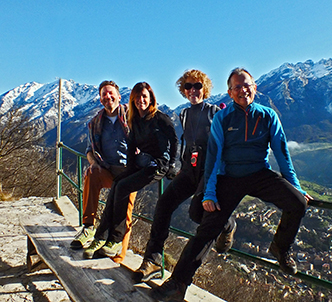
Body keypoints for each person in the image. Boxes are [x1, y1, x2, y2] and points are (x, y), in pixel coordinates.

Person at [150, 68, 312, 301]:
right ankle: (178, 283)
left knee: (297, 203)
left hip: (260, 173)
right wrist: (210, 193)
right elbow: (213, 158)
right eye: (237, 87)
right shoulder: (223, 118)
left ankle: (281, 247)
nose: (243, 90)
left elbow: (283, 155)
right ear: (230, 92)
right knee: (206, 228)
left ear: (255, 87)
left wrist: (296, 187)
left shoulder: (268, 116)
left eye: (246, 85)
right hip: (229, 176)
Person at [132, 69, 236, 283]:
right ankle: (152, 259)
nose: (192, 90)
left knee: (197, 214)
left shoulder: (215, 112)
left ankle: (228, 225)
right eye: (188, 86)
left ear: (204, 88)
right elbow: (186, 142)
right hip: (189, 169)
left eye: (197, 86)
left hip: (208, 171)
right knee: (164, 204)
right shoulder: (184, 114)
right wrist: (181, 163)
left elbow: (224, 146)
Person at [83, 82, 178, 260]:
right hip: (140, 164)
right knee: (119, 185)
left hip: (157, 166)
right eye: (137, 97)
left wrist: (171, 165)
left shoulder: (159, 118)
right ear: (132, 99)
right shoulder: (134, 120)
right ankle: (101, 237)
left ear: (151, 98)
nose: (141, 100)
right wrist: (131, 168)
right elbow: (132, 145)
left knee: (124, 188)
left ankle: (116, 241)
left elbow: (174, 140)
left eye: (144, 96)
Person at [70, 80, 136, 264]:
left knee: (126, 212)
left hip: (129, 172)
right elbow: (89, 149)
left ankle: (118, 255)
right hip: (107, 169)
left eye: (110, 93)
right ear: (100, 100)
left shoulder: (132, 117)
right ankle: (88, 227)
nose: (108, 97)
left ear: (119, 96)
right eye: (104, 95)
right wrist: (93, 163)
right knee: (91, 174)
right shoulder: (95, 123)